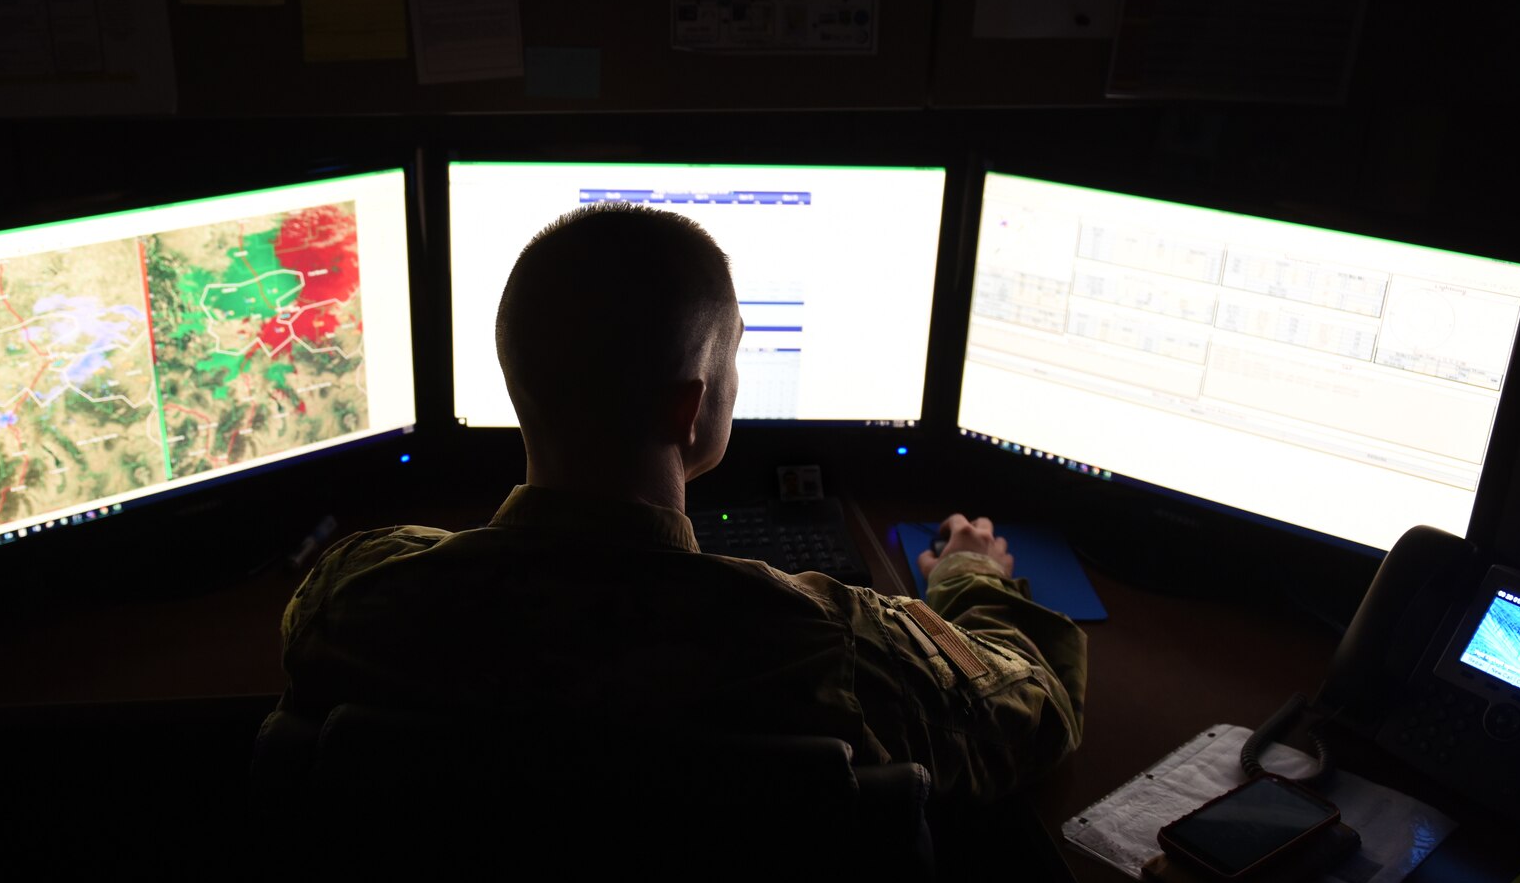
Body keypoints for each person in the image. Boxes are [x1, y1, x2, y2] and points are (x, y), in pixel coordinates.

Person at [255, 202, 1086, 803]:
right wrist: (971, 579)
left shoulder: (351, 600)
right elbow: (1032, 709)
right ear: (688, 411)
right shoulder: (829, 647)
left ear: (516, 382)